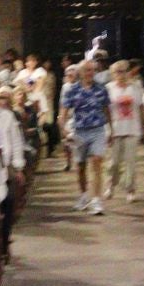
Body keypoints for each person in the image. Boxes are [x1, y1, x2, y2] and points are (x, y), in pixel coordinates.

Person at [61, 58, 111, 215]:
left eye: (92, 70)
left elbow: (106, 110)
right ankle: (84, 195)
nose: (90, 73)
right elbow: (62, 114)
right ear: (80, 73)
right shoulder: (72, 90)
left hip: (97, 130)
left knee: (97, 162)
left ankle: (96, 200)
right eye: (87, 70)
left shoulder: (101, 89)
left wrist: (112, 129)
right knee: (81, 166)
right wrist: (65, 132)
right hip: (79, 131)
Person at [104, 60, 144, 202]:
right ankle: (111, 184)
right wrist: (108, 129)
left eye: (123, 71)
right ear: (113, 74)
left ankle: (130, 189)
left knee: (131, 162)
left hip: (132, 128)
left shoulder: (135, 87)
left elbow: (140, 107)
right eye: (117, 72)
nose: (121, 74)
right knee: (114, 162)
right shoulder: (108, 88)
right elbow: (105, 110)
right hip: (115, 129)